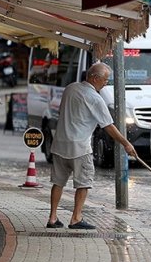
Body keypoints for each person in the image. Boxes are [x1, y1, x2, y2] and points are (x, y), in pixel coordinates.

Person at [47, 62, 137, 230]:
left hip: (59, 144)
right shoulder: (95, 98)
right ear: (94, 78)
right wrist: (126, 143)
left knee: (58, 182)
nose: (106, 83)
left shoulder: (70, 88)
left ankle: (52, 217)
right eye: (105, 80)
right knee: (83, 183)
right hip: (80, 148)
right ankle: (76, 218)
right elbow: (108, 126)